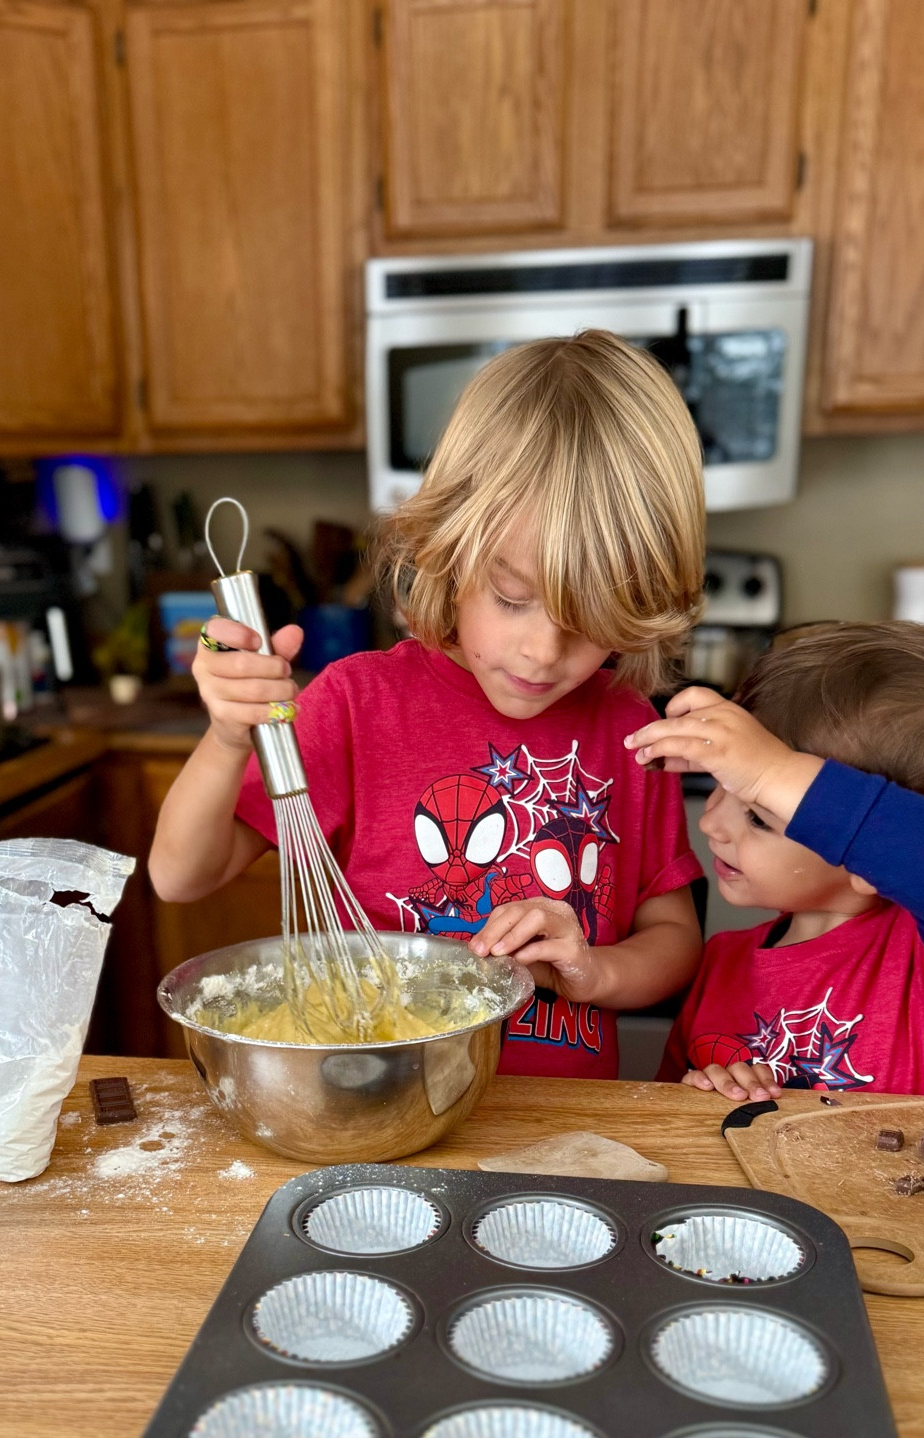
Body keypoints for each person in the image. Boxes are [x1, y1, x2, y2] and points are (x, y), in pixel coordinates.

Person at [148, 331, 707, 1077]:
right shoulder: (357, 704)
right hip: (378, 1111)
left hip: (558, 1130)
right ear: (449, 552)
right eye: (512, 600)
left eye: (591, 618)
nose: (544, 651)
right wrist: (225, 737)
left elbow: (673, 937)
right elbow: (180, 876)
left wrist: (592, 970)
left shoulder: (631, 732)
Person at [627, 622, 924, 1098]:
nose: (711, 824)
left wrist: (776, 771)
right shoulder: (721, 965)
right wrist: (706, 1092)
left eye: (759, 816)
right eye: (722, 785)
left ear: (867, 857)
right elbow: (670, 1118)